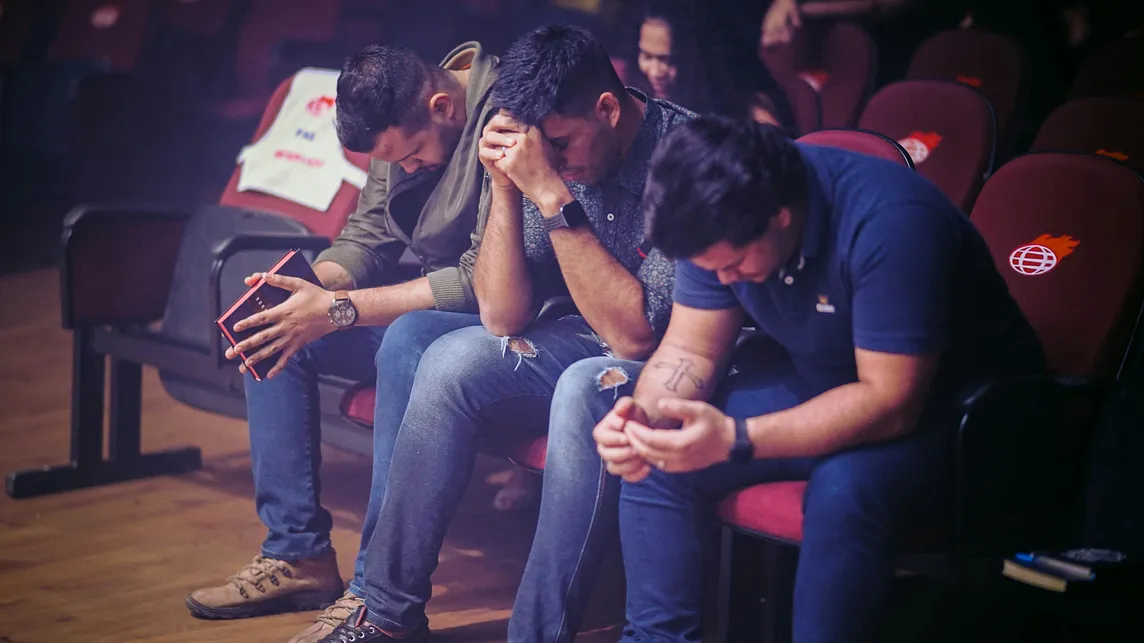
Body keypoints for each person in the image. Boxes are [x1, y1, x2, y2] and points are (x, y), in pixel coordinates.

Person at [554, 116, 1044, 643]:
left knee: (844, 490)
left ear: (781, 217)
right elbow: (691, 348)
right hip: (832, 382)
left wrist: (735, 440)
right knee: (661, 456)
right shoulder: (711, 212)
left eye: (736, 264)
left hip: (959, 414)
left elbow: (892, 401)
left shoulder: (891, 222)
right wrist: (643, 419)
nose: (724, 282)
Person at [313, 24, 693, 643]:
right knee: (443, 358)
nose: (559, 159)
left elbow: (635, 332)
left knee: (580, 383)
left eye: (565, 144)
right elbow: (501, 316)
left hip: (674, 350)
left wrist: (550, 193)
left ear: (607, 107)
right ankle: (384, 611)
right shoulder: (543, 146)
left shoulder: (684, 154)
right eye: (549, 150)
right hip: (573, 330)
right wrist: (504, 186)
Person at [184, 41, 500, 643]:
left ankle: (373, 593)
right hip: (434, 300)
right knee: (279, 323)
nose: (403, 167)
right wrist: (310, 290)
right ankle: (296, 553)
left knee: (405, 340)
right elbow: (370, 231)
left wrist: (337, 308)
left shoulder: (505, 117)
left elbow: (482, 279)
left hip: (504, 314)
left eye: (408, 157)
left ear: (443, 106)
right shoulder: (401, 115)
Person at [631, 0, 794, 127]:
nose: (654, 72)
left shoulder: (747, 114)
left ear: (694, 58)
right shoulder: (637, 108)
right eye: (646, 56)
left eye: (667, 60)